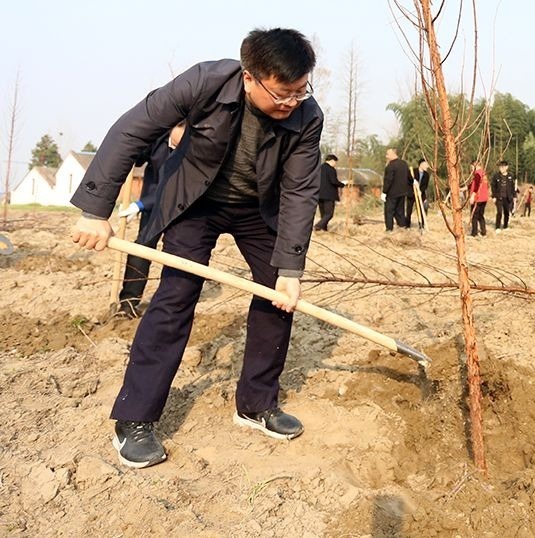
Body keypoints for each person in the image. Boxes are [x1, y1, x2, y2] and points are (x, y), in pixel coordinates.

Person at [70, 28, 322, 468]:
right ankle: (134, 419)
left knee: (277, 298)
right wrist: (95, 209)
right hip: (194, 201)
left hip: (257, 210)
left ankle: (257, 403)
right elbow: (132, 129)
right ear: (249, 78)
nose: (292, 103)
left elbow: (300, 190)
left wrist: (290, 268)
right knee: (176, 296)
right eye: (283, 93)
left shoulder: (307, 116)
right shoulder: (203, 82)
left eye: (301, 91)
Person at [115, 122, 187, 318]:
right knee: (142, 248)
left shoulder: (193, 148)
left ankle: (170, 304)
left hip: (181, 206)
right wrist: (131, 148)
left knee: (178, 253)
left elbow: (175, 187)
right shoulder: (159, 139)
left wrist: (141, 204)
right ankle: (128, 303)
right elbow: (136, 157)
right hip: (152, 207)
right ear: (172, 129)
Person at [382, 147, 412, 231]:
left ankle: (389, 229)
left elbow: (388, 180)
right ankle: (402, 226)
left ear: (393, 154)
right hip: (402, 193)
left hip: (392, 194)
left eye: (387, 154)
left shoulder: (390, 166)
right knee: (400, 211)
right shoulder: (404, 164)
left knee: (389, 211)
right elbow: (409, 177)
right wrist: (413, 182)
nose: (386, 156)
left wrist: (384, 192)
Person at [314, 154, 345, 231]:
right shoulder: (331, 169)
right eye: (335, 162)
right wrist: (342, 184)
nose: (335, 164)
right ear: (332, 161)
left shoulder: (319, 168)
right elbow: (333, 181)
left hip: (319, 195)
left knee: (323, 214)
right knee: (329, 214)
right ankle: (318, 226)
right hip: (329, 195)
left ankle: (324, 229)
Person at [491, 159, 516, 231]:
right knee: (499, 212)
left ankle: (505, 226)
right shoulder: (496, 176)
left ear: (506, 167)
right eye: (500, 167)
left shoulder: (510, 176)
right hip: (499, 197)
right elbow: (493, 187)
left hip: (508, 197)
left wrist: (514, 196)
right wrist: (493, 196)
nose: (501, 168)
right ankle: (497, 227)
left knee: (506, 212)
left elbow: (512, 187)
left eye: (503, 167)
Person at [408, 158, 431, 229]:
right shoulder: (413, 171)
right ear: (421, 165)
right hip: (411, 193)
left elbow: (425, 186)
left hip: (421, 194)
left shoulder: (426, 175)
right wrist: (413, 181)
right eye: (426, 164)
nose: (427, 166)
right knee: (409, 209)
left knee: (421, 210)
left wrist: (420, 191)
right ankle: (407, 225)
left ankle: (421, 225)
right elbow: (408, 179)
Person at [468, 161, 489, 237]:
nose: (471, 169)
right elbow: (473, 184)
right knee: (480, 215)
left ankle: (474, 233)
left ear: (474, 166)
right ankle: (483, 232)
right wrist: (464, 188)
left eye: (471, 167)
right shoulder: (483, 173)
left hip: (478, 198)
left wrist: (473, 196)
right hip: (484, 198)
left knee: (474, 216)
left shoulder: (477, 174)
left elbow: (476, 186)